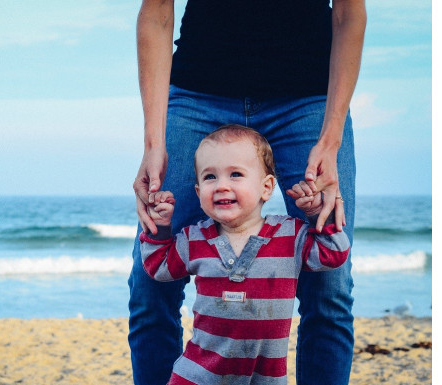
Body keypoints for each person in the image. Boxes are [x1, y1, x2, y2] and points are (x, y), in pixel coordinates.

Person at [129, 1, 366, 384]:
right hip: (196, 95)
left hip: (308, 99)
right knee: (149, 286)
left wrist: (331, 138)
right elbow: (156, 12)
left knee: (330, 289)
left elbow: (348, 13)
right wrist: (154, 143)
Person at [139, 125, 350, 385]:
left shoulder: (290, 236)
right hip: (197, 376)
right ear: (197, 193)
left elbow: (334, 253)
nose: (221, 186)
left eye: (235, 174)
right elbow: (158, 267)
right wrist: (160, 229)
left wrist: (318, 214)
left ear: (266, 187)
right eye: (209, 177)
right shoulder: (194, 238)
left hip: (265, 379)